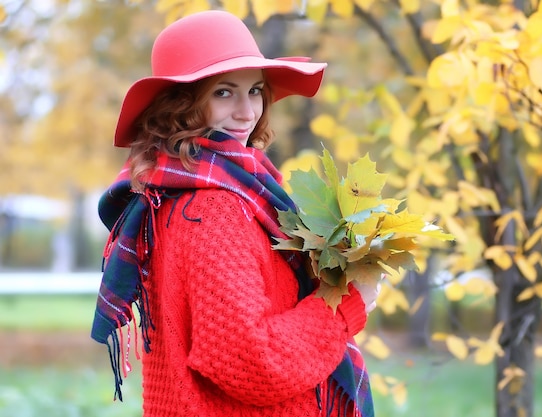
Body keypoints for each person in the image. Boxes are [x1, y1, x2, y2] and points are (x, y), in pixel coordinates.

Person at [91, 10, 378, 417]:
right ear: (182, 106)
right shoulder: (214, 208)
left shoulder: (180, 190)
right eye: (224, 92)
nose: (248, 112)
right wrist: (347, 305)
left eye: (256, 91)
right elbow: (250, 361)